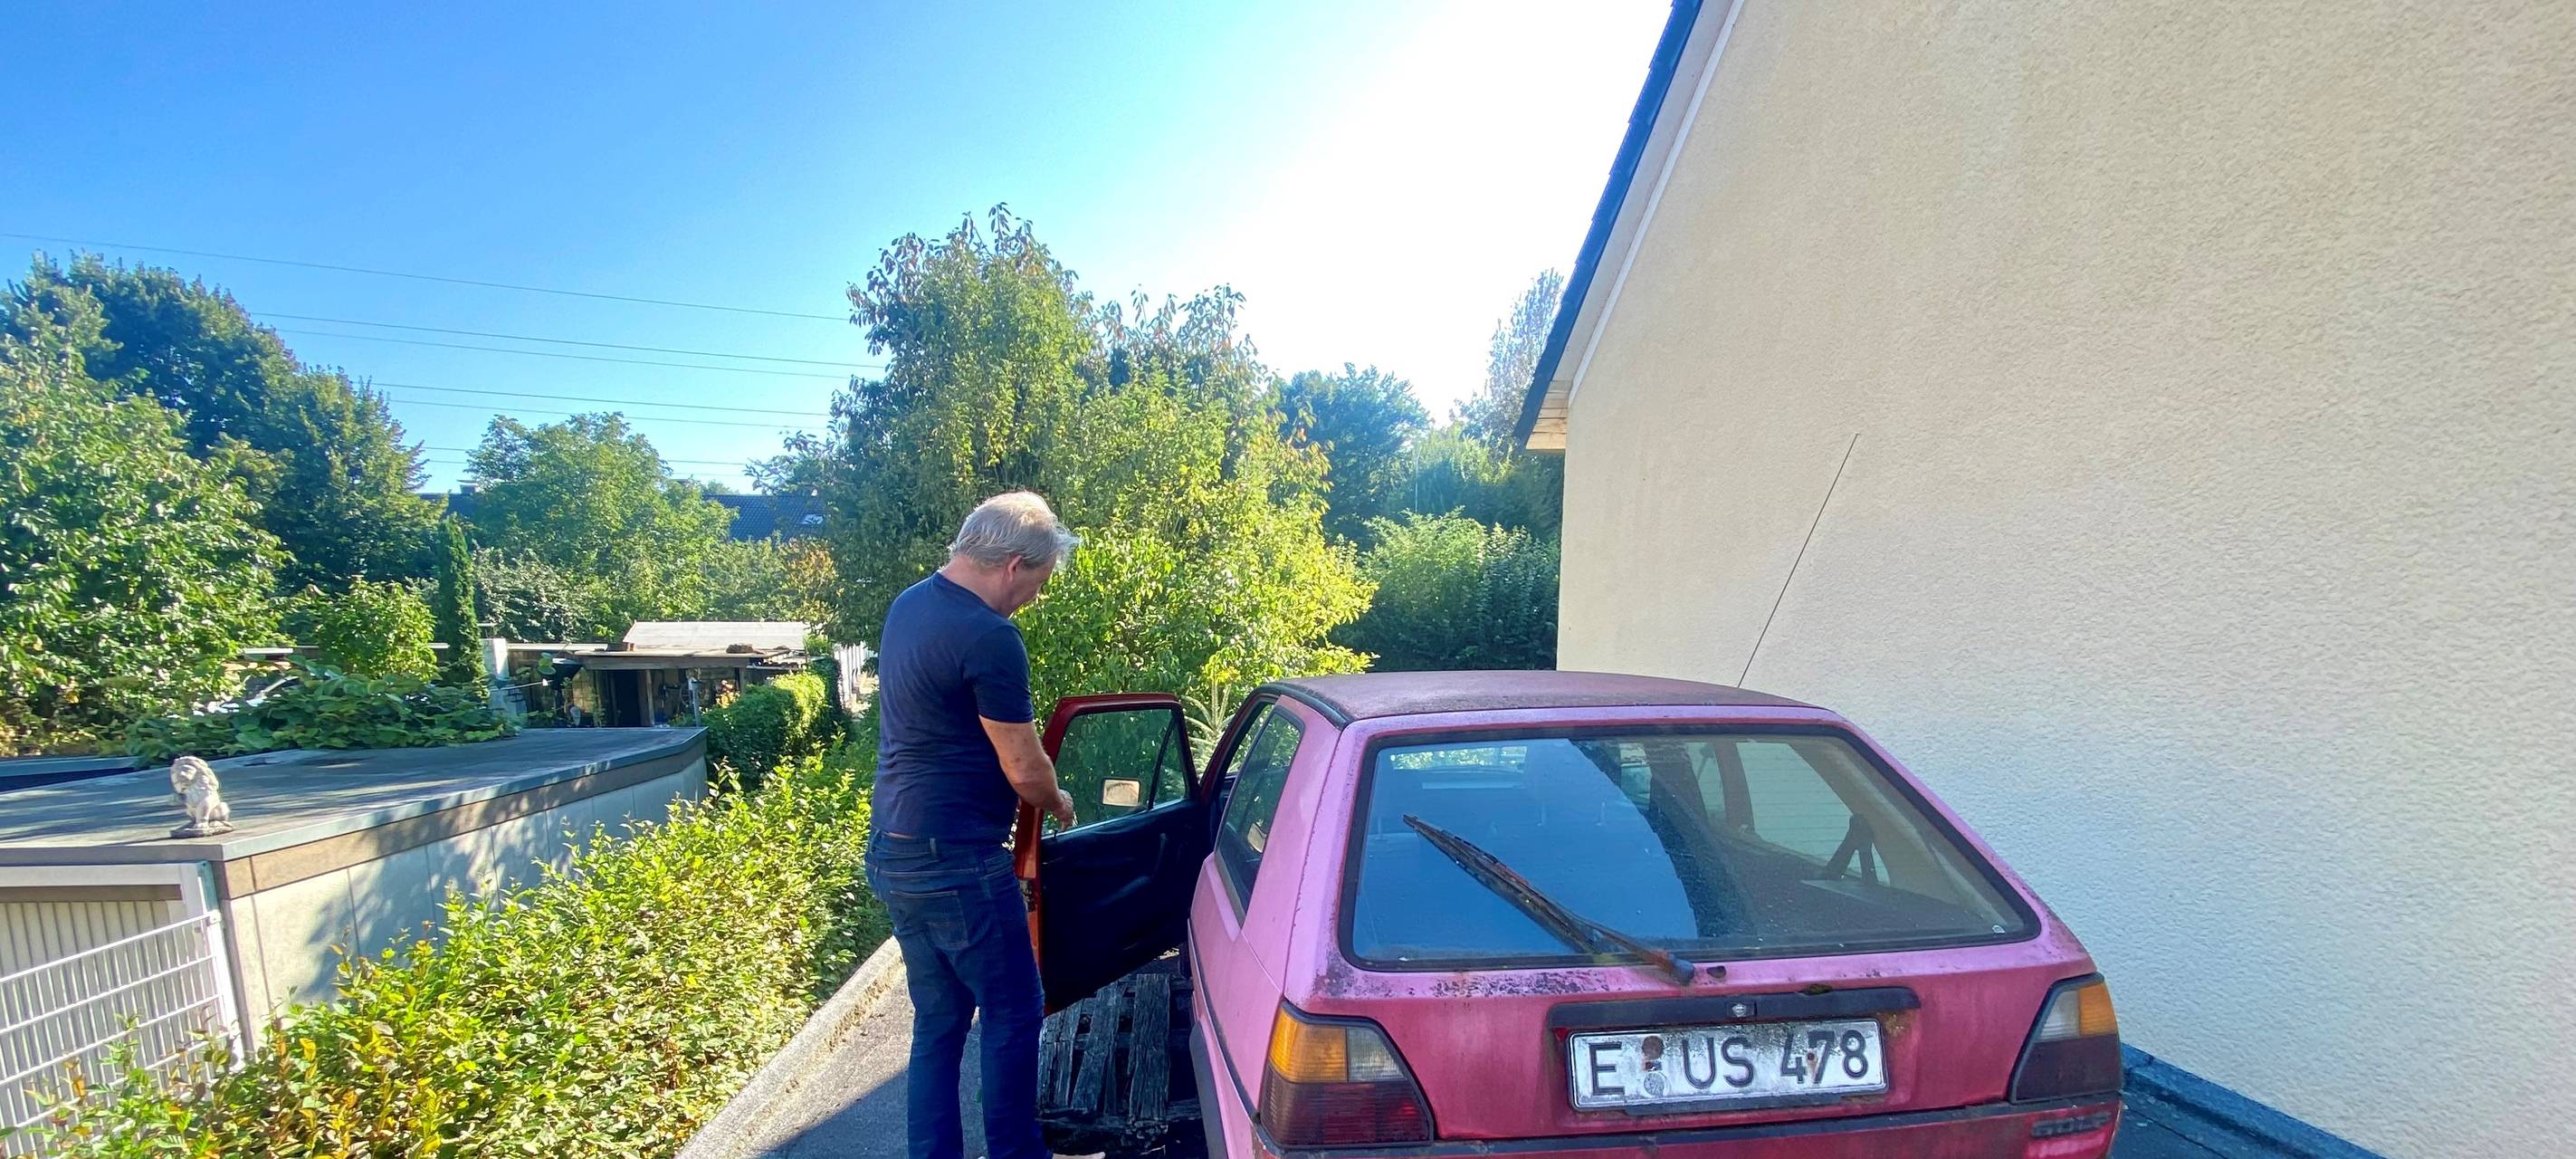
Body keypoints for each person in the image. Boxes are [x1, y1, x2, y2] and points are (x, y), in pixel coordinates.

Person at [866, 491, 1082, 1159]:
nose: (1035, 599)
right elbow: (1023, 768)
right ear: (1015, 564)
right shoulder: (990, 637)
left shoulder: (910, 606)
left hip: (894, 850)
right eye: (1038, 583)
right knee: (1015, 1013)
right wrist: (1060, 802)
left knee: (938, 1022)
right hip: (957, 860)